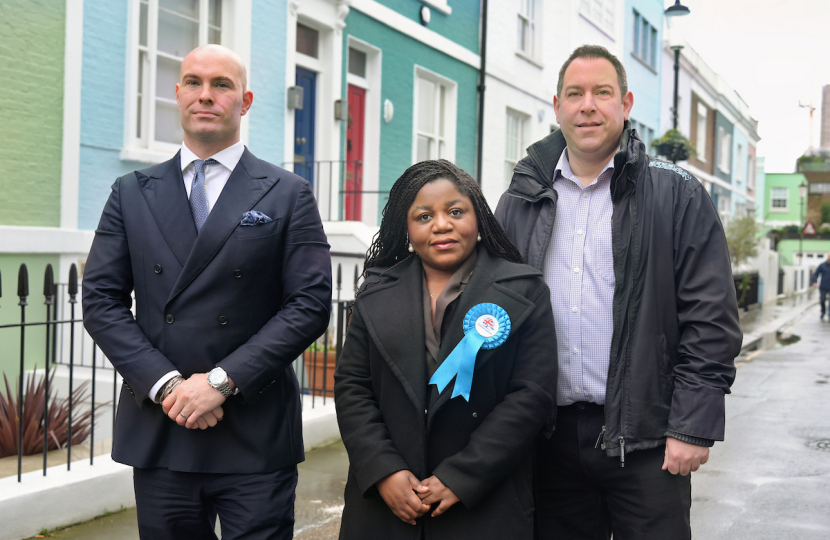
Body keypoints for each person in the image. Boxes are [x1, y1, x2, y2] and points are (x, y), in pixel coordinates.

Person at [82, 44, 332, 539]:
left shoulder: (288, 192)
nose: (205, 95)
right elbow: (100, 301)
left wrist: (220, 382)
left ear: (245, 101)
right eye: (194, 83)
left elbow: (308, 305)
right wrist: (170, 387)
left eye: (222, 85)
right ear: (178, 94)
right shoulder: (130, 192)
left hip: (254, 428)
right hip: (163, 425)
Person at [495, 45, 742, 539]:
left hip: (648, 440)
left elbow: (710, 317)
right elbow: (494, 307)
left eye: (602, 92)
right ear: (557, 106)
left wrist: (691, 426)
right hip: (549, 439)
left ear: (625, 104)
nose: (587, 105)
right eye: (575, 94)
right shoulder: (520, 198)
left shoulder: (677, 194)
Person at [334, 160, 557, 540]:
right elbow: (352, 386)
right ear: (405, 227)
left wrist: (462, 476)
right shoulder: (375, 291)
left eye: (455, 211)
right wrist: (383, 470)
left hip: (485, 502)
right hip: (387, 507)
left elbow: (531, 396)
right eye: (424, 216)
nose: (441, 224)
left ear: (478, 216)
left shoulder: (525, 290)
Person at [812, 252, 830, 320]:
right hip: (823, 286)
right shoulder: (822, 265)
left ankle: (829, 315)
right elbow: (816, 274)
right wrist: (815, 282)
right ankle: (823, 312)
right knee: (822, 300)